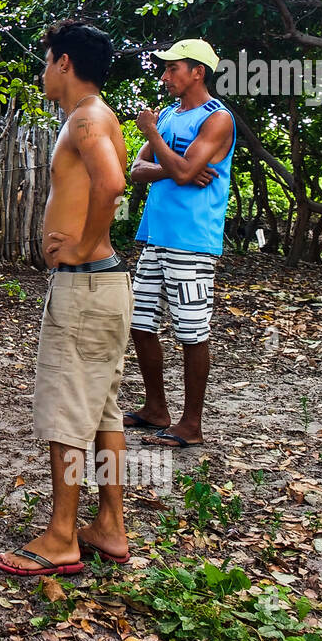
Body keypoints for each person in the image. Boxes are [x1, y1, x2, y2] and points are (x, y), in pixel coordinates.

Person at [0, 20, 133, 577]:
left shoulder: (87, 118)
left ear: (66, 63)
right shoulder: (99, 117)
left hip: (87, 285)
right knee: (102, 412)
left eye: (47, 60)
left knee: (66, 412)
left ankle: (61, 537)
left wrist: (85, 244)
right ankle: (110, 527)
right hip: (105, 286)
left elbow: (112, 183)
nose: (43, 70)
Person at [121, 38, 235, 449]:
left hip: (192, 241)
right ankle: (156, 409)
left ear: (197, 72)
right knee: (140, 324)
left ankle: (191, 424)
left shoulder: (217, 118)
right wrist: (175, 168)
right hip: (156, 235)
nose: (166, 76)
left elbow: (187, 172)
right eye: (165, 69)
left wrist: (157, 141)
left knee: (191, 330)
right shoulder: (170, 114)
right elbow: (136, 170)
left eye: (173, 69)